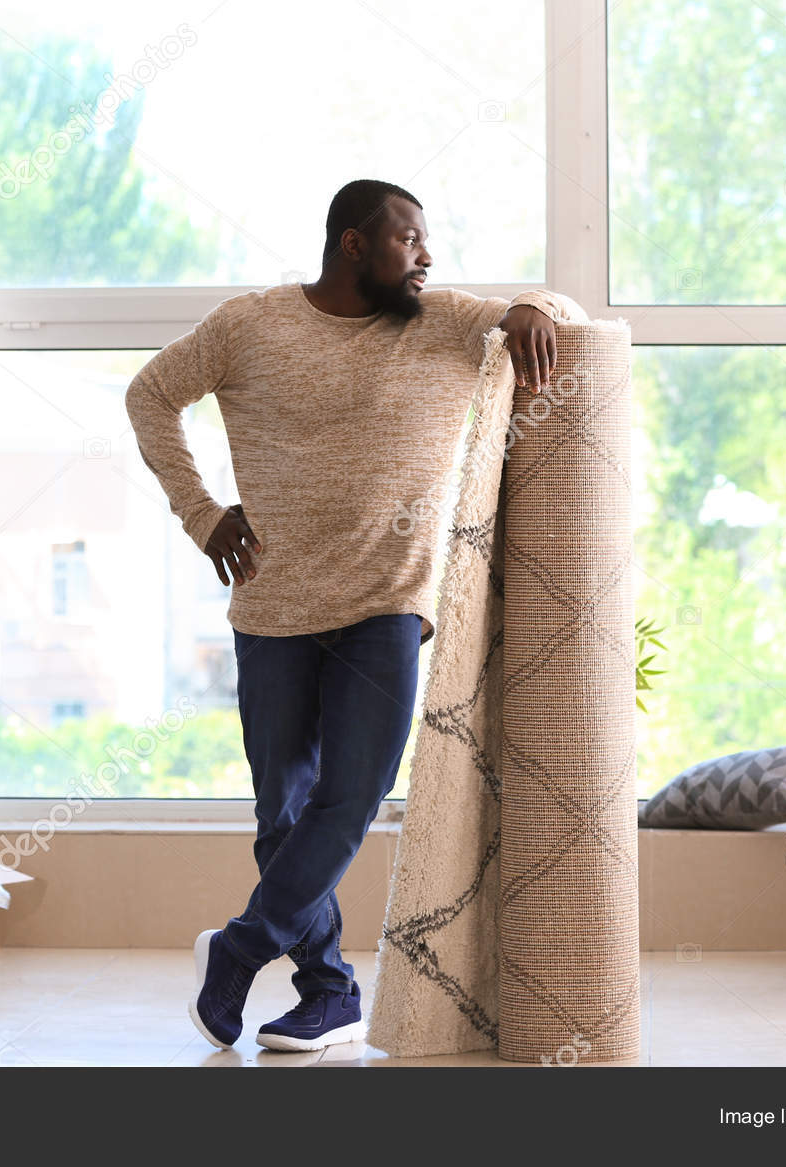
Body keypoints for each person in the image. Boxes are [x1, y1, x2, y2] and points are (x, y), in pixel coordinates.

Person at [125, 178, 569, 1052]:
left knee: (350, 800)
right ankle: (329, 989)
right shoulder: (249, 326)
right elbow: (149, 396)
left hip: (386, 609)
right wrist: (203, 513)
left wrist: (528, 304)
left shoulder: (442, 321)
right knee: (280, 814)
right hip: (273, 609)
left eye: (429, 243)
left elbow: (546, 307)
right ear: (354, 244)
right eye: (411, 239)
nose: (427, 256)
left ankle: (238, 953)